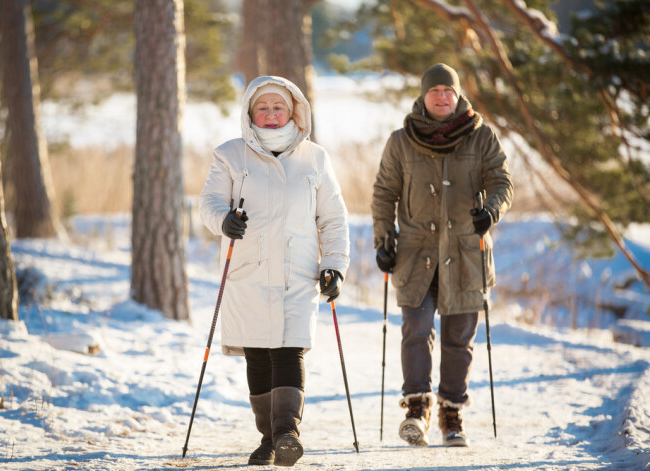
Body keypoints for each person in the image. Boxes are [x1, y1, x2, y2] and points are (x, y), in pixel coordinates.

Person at [199, 76, 350, 467]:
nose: (270, 114)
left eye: (277, 107)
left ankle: (287, 433)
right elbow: (209, 204)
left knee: (289, 349)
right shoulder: (230, 155)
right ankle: (268, 439)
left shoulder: (315, 158)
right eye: (262, 108)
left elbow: (333, 218)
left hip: (298, 272)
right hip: (248, 270)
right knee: (258, 355)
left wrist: (334, 264)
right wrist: (224, 221)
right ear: (250, 113)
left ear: (293, 111)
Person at [371, 63, 513, 448]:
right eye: (434, 91)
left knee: (458, 337)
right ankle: (417, 408)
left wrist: (491, 212)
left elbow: (501, 182)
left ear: (457, 95)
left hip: (467, 251)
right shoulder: (401, 140)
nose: (441, 97)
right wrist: (384, 240)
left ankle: (452, 412)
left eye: (447, 91)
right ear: (423, 96)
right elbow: (384, 192)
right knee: (416, 329)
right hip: (415, 255)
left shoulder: (481, 138)